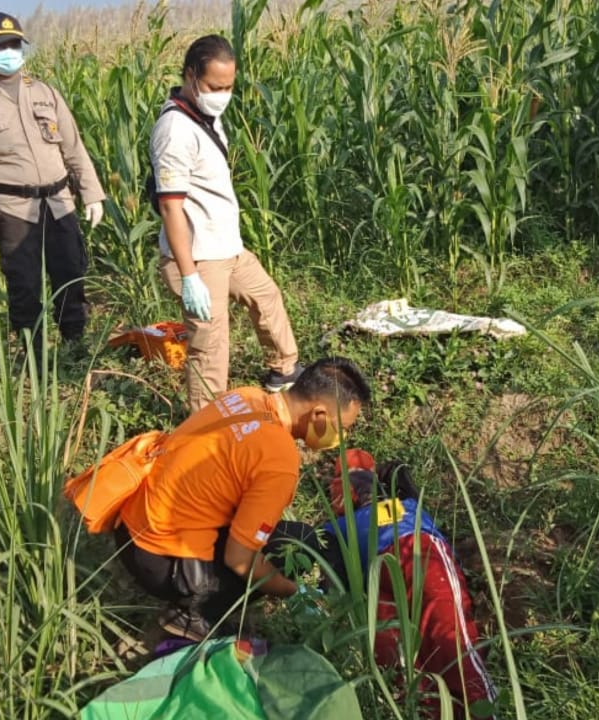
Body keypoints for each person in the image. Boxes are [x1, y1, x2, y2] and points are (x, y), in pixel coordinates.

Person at [114, 357, 372, 642]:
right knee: (286, 550)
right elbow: (239, 560)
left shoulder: (246, 396)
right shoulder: (279, 461)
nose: (342, 437)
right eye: (343, 427)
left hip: (130, 525)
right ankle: (194, 615)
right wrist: (291, 592)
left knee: (289, 536)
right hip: (160, 560)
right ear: (319, 415)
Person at [149, 34, 302, 412]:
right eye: (215, 86)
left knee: (266, 298)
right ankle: (205, 423)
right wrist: (189, 277)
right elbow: (170, 207)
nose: (222, 94)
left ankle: (284, 372)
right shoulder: (174, 130)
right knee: (211, 343)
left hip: (226, 247)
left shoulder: (206, 118)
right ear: (190, 76)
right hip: (200, 258)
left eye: (229, 86)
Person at [0, 11, 105, 356]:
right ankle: (33, 353)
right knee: (24, 284)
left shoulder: (44, 92)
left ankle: (74, 344)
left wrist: (92, 193)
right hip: (14, 208)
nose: (8, 51)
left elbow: (73, 146)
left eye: (13, 44)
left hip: (59, 201)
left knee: (70, 272)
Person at [320, 449, 498, 719]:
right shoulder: (406, 506)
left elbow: (328, 571)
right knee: (432, 649)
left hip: (391, 566)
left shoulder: (344, 524)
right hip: (410, 558)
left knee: (418, 655)